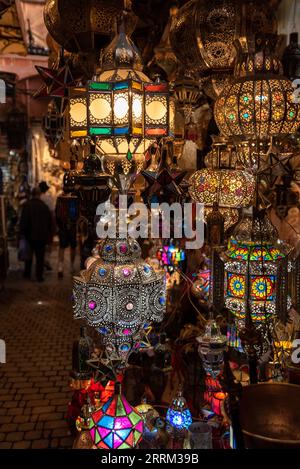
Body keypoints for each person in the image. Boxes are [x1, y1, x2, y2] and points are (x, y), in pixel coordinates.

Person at [19, 187, 53, 282]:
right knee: (40, 258)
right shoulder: (44, 206)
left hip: (29, 236)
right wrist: (49, 235)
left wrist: (22, 233)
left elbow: (24, 221)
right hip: (41, 237)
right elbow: (49, 222)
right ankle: (39, 276)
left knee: (28, 256)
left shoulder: (27, 205)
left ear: (32, 194)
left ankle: (27, 273)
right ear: (39, 195)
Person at [55, 194, 77, 278]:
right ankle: (71, 266)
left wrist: (59, 225)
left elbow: (56, 213)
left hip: (62, 226)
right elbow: (78, 213)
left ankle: (60, 267)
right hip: (72, 226)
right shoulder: (75, 199)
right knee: (73, 247)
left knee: (62, 247)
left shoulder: (60, 198)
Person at [39, 181, 56, 271]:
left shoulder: (38, 198)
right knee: (49, 244)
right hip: (47, 223)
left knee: (41, 245)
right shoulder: (49, 199)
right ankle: (46, 260)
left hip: (39, 224)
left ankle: (41, 262)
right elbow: (52, 213)